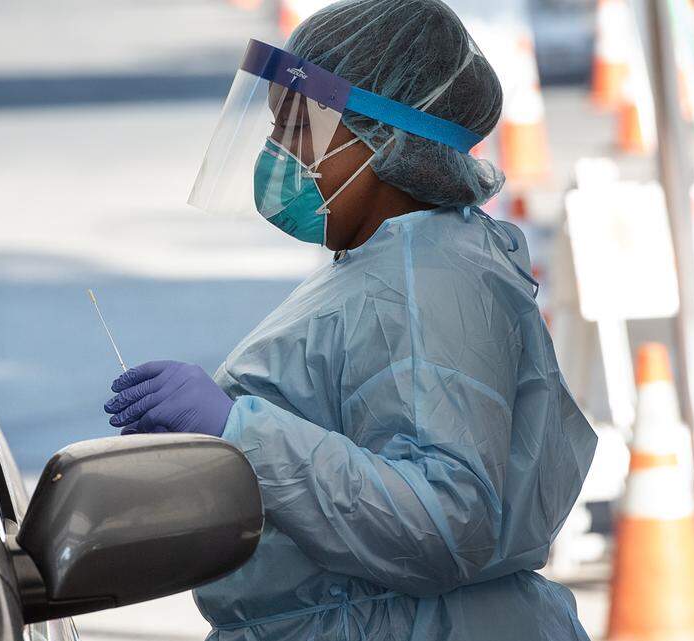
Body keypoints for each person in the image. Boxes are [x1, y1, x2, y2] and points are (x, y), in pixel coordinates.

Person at [102, 1, 597, 639]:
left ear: (387, 137)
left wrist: (239, 431)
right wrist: (199, 463)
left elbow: (445, 525)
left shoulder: (429, 281)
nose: (276, 153)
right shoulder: (388, 264)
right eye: (276, 125)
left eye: (301, 128)